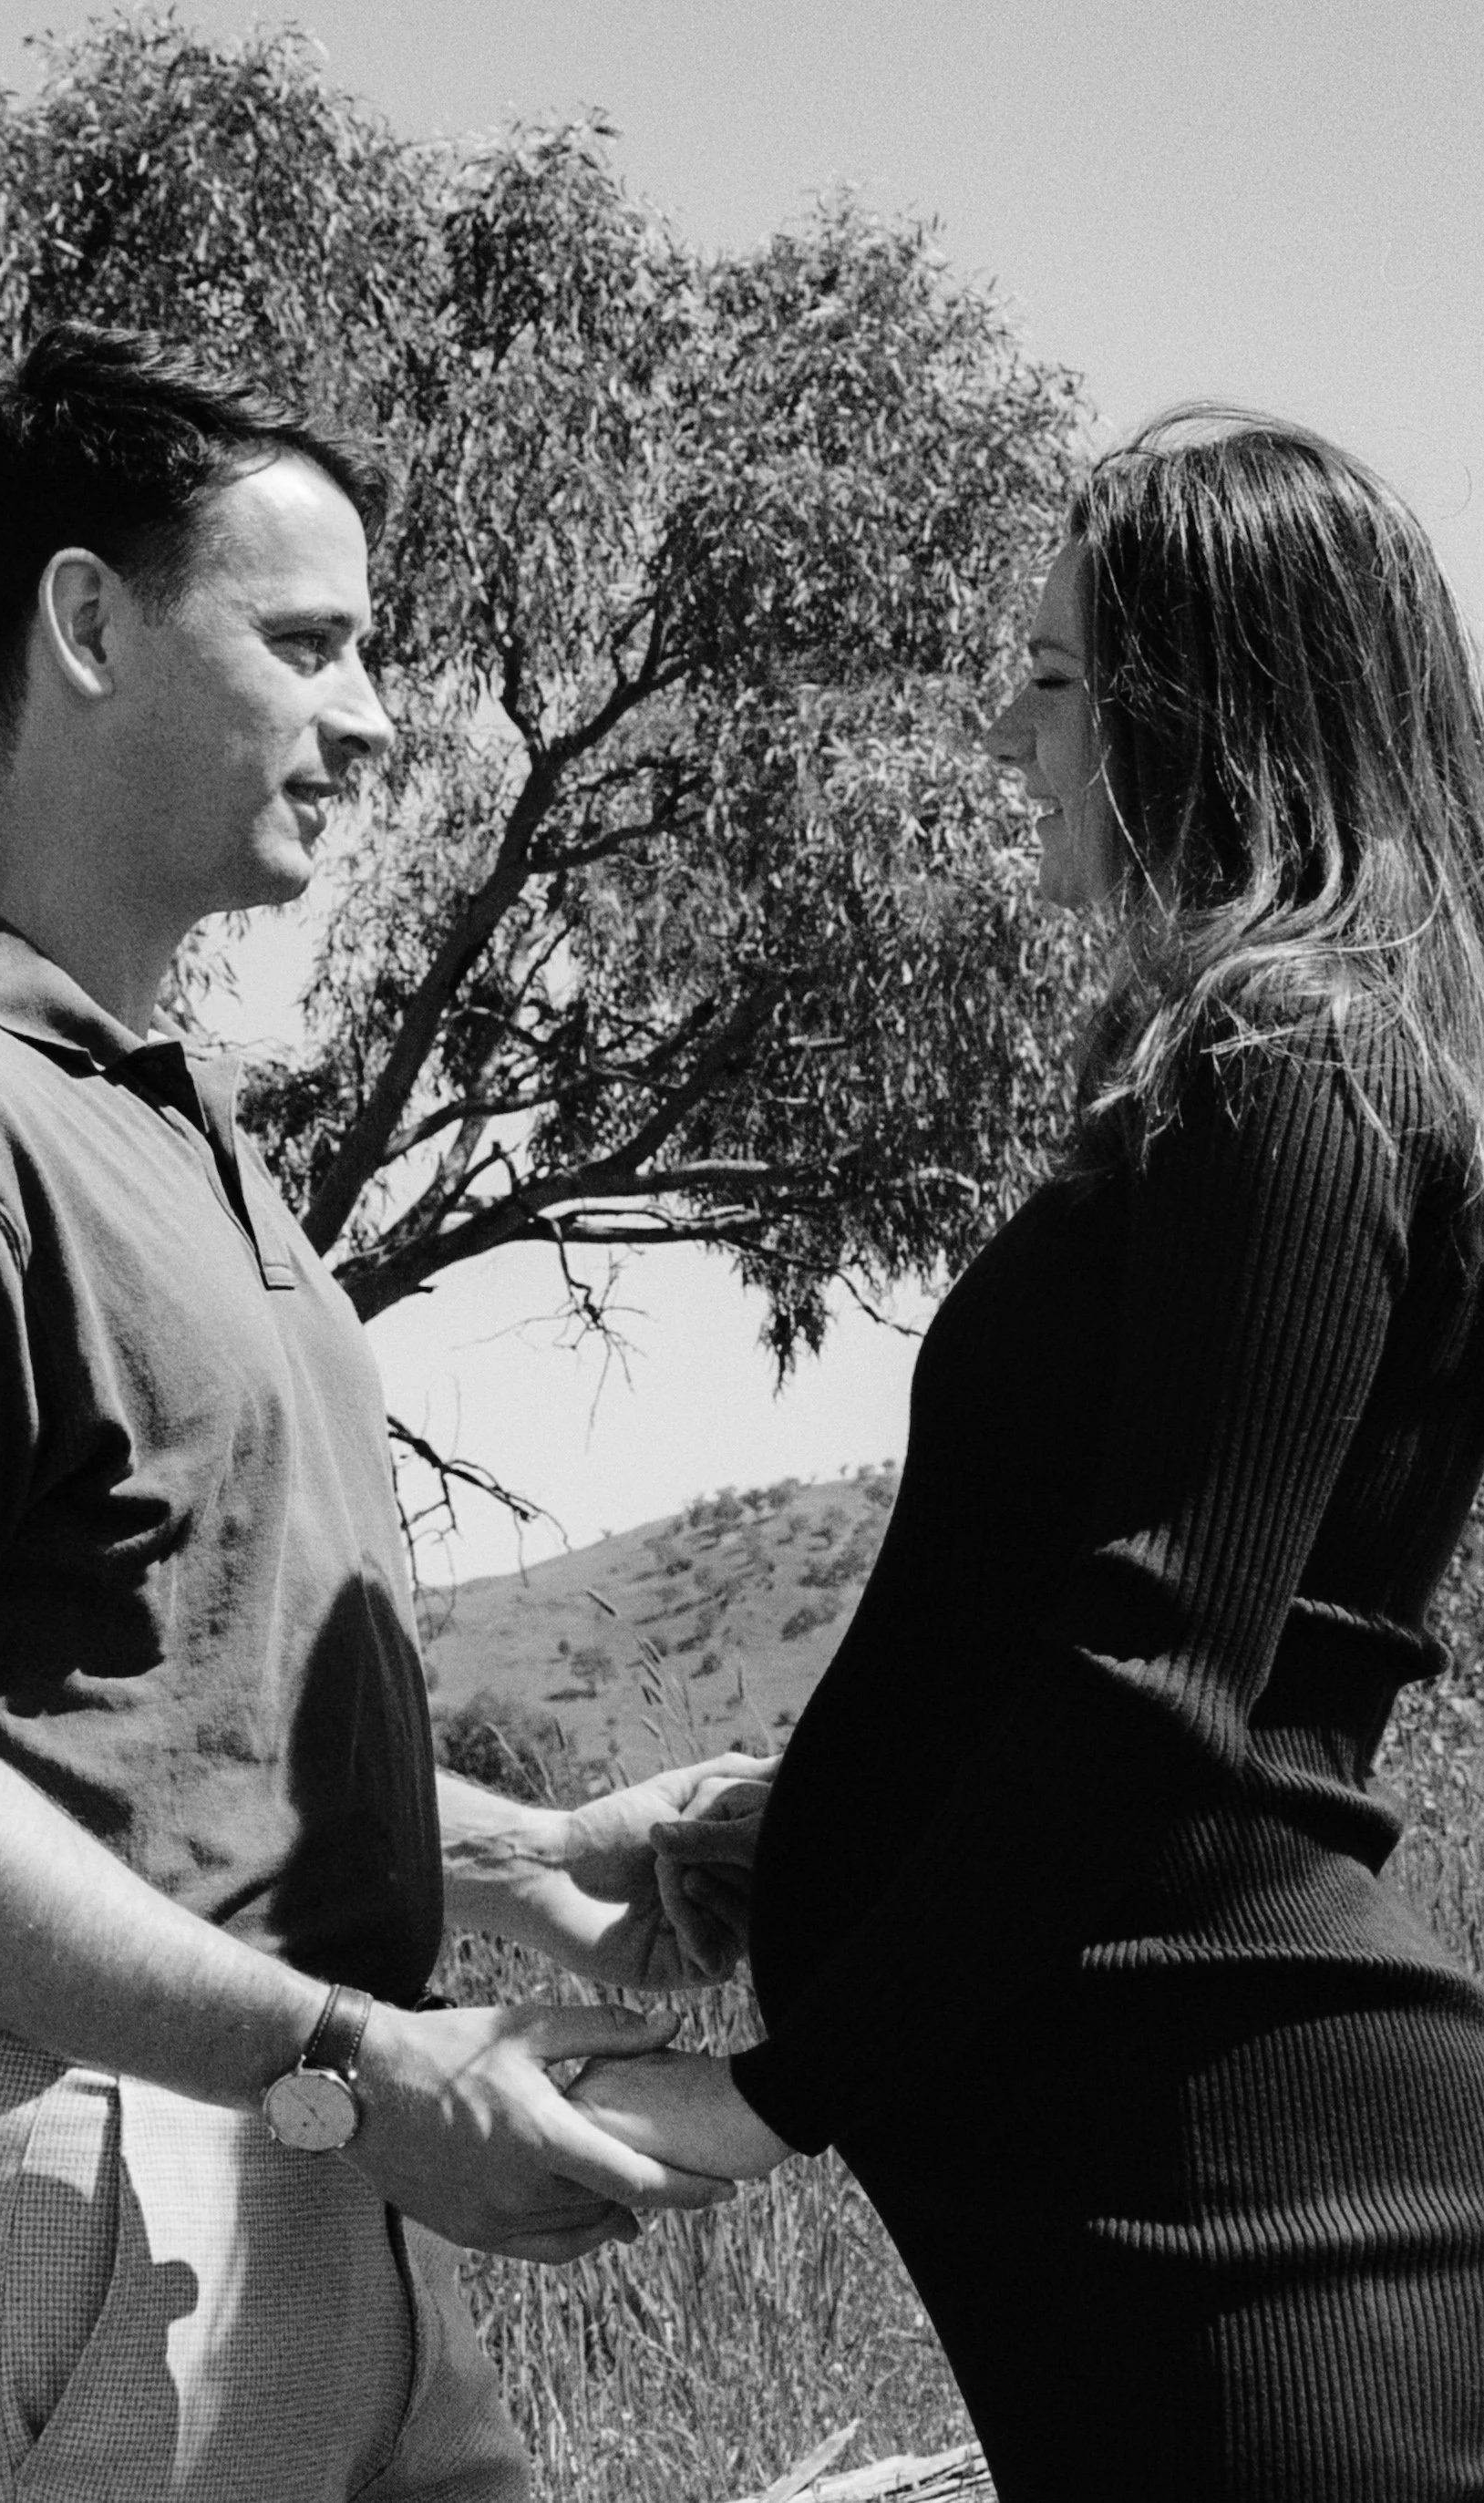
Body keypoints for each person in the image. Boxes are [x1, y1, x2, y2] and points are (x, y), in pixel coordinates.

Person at [0, 320, 771, 2503]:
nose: (374, 713)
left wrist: (533, 1854)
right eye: (308, 640)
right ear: (85, 624)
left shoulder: (164, 1114)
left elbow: (148, 1691)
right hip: (56, 2191)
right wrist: (349, 2051)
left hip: (287, 2157)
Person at [574, 414, 1484, 2499]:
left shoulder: (1294, 1076)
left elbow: (1156, 1682)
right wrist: (798, 1819)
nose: (1008, 736)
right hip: (1176, 2205)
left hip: (1257, 2226)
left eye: (1058, 677)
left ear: (1214, 708)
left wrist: (765, 2100)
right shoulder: (1274, 1082)